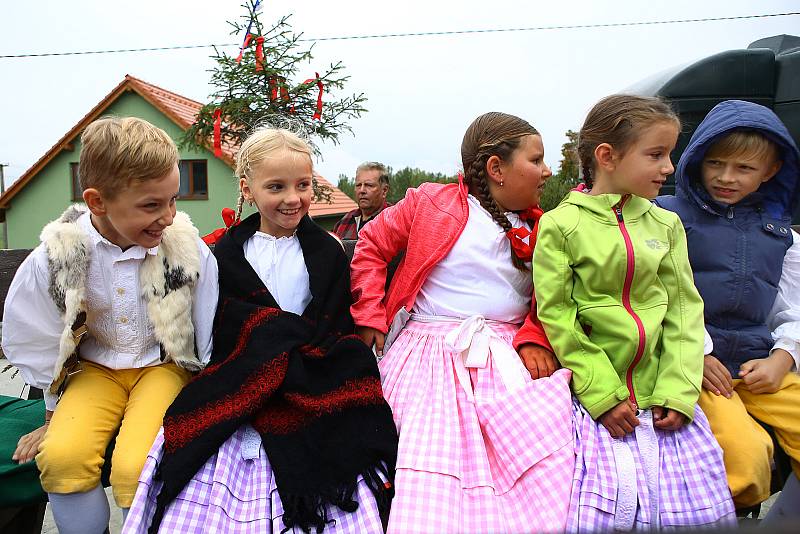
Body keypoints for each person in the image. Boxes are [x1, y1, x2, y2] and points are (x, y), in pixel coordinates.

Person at [123, 127, 398, 534]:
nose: (292, 198)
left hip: (311, 369)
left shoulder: (327, 251)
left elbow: (334, 323)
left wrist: (301, 349)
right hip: (246, 372)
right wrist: (265, 344)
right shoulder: (228, 254)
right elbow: (223, 324)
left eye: (302, 185)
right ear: (247, 189)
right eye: (276, 186)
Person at [350, 112, 575, 533]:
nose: (547, 171)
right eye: (537, 159)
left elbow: (552, 297)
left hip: (507, 358)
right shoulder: (429, 203)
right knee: (426, 450)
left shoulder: (543, 226)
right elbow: (372, 246)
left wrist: (535, 337)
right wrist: (370, 314)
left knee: (532, 457)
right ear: (496, 169)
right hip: (429, 355)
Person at [1, 116, 218, 534]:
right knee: (62, 455)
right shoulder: (60, 254)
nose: (169, 216)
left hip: (161, 367)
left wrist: (199, 385)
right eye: (152, 205)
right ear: (98, 202)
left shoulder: (183, 248)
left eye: (173, 200)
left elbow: (205, 318)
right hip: (93, 371)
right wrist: (51, 413)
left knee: (139, 462)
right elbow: (39, 330)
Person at [533, 94, 736, 530]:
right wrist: (602, 395)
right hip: (592, 401)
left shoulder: (665, 224)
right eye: (657, 154)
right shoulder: (560, 226)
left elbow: (684, 311)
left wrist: (679, 389)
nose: (670, 168)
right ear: (607, 156)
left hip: (665, 397)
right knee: (596, 513)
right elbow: (559, 317)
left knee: (700, 512)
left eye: (670, 154)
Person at [655, 99, 800, 519]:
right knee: (748, 458)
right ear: (697, 158)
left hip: (760, 367)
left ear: (771, 172)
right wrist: (696, 354)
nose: (725, 177)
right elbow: (655, 292)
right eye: (715, 163)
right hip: (695, 364)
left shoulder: (783, 237)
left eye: (744, 169)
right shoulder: (666, 218)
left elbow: (790, 308)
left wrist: (782, 357)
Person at [333, 162, 390, 239]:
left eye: (369, 185)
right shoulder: (345, 221)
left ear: (384, 191)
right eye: (358, 185)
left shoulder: (394, 221)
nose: (362, 190)